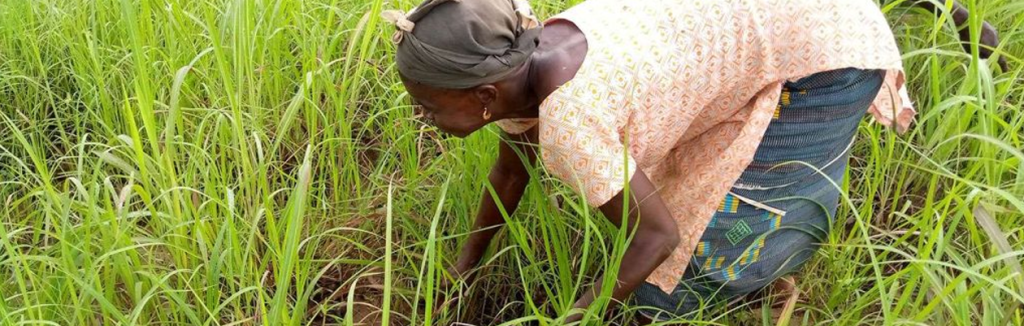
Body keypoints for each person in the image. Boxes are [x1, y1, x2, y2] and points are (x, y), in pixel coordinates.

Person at [382, 0, 1006, 322]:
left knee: (676, 296)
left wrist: (581, 314)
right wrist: (461, 271)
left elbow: (657, 233)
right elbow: (510, 171)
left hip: (821, 51)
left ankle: (779, 254)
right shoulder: (523, 60)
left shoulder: (572, 122)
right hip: (772, 19)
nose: (423, 119)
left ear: (485, 96)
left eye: (429, 108)